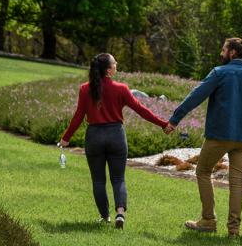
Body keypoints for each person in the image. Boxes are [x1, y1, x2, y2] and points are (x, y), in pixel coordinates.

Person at [163, 37, 242, 238]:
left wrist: (174, 120)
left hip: (219, 136)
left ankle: (208, 220)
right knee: (236, 182)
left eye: (223, 50)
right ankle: (233, 230)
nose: (221, 53)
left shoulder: (219, 73)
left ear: (232, 52)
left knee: (203, 171)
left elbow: (195, 96)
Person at [59, 53, 168, 229]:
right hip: (116, 136)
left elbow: (78, 116)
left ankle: (105, 217)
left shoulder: (85, 89)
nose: (117, 66)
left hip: (94, 136)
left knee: (98, 180)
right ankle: (120, 213)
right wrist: (163, 124)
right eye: (115, 64)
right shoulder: (121, 89)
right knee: (118, 178)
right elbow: (141, 110)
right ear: (108, 70)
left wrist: (66, 138)